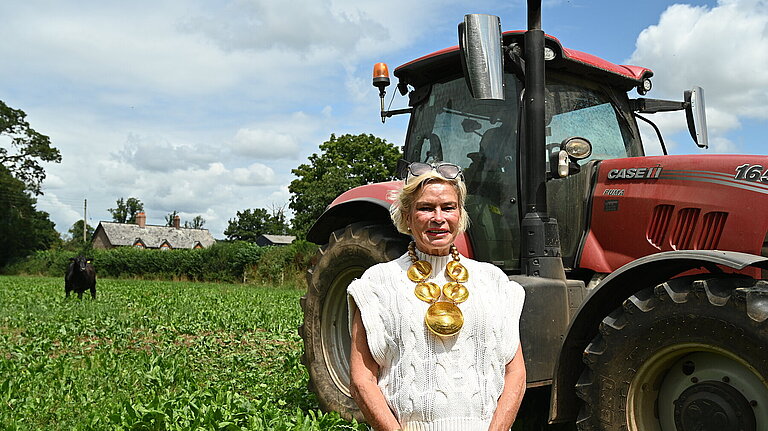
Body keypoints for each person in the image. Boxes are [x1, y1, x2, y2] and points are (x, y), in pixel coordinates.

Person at [347, 161, 527, 431]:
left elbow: (516, 373)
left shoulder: (493, 281)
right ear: (407, 216)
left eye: (448, 207)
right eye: (425, 208)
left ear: (460, 214)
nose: (438, 217)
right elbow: (362, 379)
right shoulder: (377, 284)